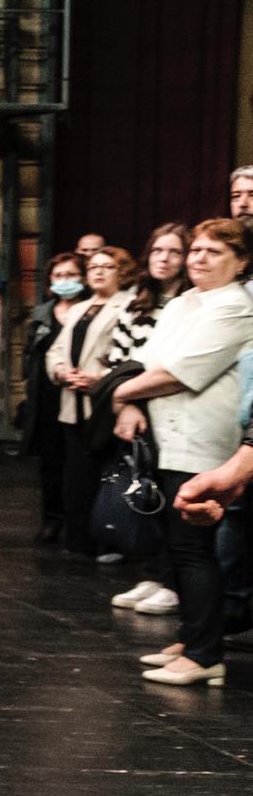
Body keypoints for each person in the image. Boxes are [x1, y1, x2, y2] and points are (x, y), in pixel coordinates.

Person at [112, 219, 253, 686]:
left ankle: (205, 654)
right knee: (178, 548)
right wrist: (131, 398)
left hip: (201, 441)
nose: (199, 258)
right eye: (196, 250)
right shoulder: (182, 302)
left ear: (241, 263)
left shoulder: (236, 307)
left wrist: (117, 394)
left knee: (195, 550)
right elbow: (148, 361)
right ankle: (193, 637)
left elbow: (179, 372)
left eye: (215, 252)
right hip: (166, 435)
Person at [105, 225, 189, 615]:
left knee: (175, 497)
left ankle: (173, 581)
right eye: (157, 250)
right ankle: (152, 573)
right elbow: (119, 360)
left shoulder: (191, 303)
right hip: (139, 407)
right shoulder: (137, 303)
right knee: (146, 492)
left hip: (179, 406)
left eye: (174, 251)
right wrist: (127, 404)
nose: (163, 258)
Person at [46, 246, 136, 557]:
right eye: (93, 266)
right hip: (73, 401)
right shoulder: (79, 308)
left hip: (105, 402)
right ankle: (79, 539)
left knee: (105, 473)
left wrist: (99, 379)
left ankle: (108, 539)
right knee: (76, 476)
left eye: (107, 266)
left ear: (122, 272)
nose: (98, 271)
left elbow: (130, 355)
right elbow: (56, 350)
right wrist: (61, 371)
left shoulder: (128, 305)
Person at [22, 253, 86, 546]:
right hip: (47, 395)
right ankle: (52, 518)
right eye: (59, 276)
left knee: (77, 462)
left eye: (71, 275)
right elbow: (31, 354)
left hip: (80, 392)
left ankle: (77, 520)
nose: (64, 281)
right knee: (50, 462)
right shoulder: (42, 314)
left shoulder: (90, 310)